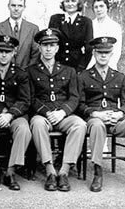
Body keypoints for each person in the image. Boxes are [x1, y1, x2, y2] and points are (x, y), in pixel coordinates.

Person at [28, 28, 86, 192]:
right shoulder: (31, 71)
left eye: (52, 45)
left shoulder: (69, 70)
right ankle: (50, 171)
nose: (48, 49)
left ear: (57, 48)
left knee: (80, 125)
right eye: (45, 45)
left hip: (63, 115)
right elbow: (31, 98)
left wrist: (62, 112)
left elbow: (74, 97)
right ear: (39, 47)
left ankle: (64, 171)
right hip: (43, 115)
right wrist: (46, 112)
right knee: (37, 124)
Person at [0, 35, 32, 191]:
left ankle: (11, 171)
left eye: (7, 52)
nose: (4, 55)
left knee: (23, 129)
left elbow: (25, 100)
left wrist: (10, 114)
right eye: (1, 51)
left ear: (14, 53)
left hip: (14, 115)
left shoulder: (21, 74)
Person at [78, 37, 125, 192]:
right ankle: (98, 172)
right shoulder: (83, 76)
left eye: (106, 52)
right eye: (100, 53)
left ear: (111, 54)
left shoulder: (119, 77)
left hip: (114, 120)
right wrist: (95, 114)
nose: (103, 56)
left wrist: (120, 113)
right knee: (98, 126)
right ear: (94, 53)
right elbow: (79, 104)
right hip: (94, 119)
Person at [48, 0, 93, 72]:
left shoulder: (86, 22)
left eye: (73, 1)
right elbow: (50, 43)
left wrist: (81, 67)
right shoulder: (55, 19)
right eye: (67, 1)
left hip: (76, 66)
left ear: (78, 3)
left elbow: (89, 48)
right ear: (63, 3)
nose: (70, 4)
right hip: (57, 66)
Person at [0, 0, 40, 70]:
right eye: (13, 5)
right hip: (3, 74)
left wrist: (26, 72)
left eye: (20, 6)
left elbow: (36, 54)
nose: (16, 9)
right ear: (8, 6)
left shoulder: (33, 29)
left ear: (24, 7)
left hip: (26, 74)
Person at [87, 0, 122, 70]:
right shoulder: (89, 25)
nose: (99, 9)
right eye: (96, 7)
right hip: (90, 66)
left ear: (107, 8)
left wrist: (106, 68)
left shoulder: (115, 27)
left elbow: (116, 51)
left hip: (109, 67)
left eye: (101, 6)